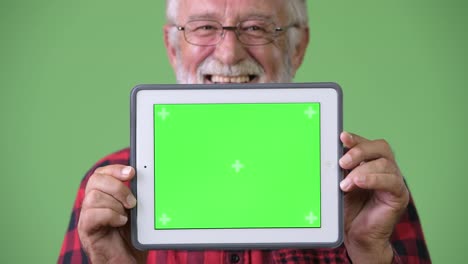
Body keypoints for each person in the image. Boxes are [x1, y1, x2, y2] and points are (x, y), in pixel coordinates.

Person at [58, 0, 431, 263]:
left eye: (256, 28)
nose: (228, 53)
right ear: (172, 49)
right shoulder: (112, 190)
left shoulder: (365, 186)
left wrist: (370, 253)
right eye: (204, 27)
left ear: (297, 48)